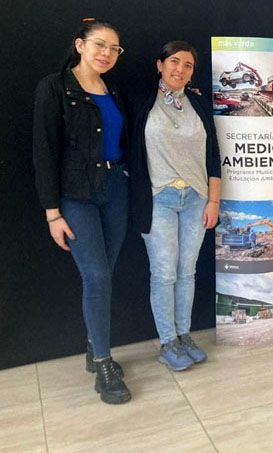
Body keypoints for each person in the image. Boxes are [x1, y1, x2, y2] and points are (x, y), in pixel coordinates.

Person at [32, 18, 131, 404]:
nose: (107, 54)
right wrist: (52, 213)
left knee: (107, 271)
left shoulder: (114, 91)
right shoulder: (54, 87)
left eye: (114, 49)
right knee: (97, 275)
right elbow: (44, 152)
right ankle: (104, 363)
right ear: (80, 44)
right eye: (100, 45)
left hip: (116, 189)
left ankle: (94, 344)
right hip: (76, 195)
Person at [128, 41, 221, 371]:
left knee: (187, 272)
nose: (180, 69)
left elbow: (213, 156)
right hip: (159, 200)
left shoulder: (197, 102)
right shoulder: (141, 102)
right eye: (174, 62)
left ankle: (184, 335)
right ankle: (168, 341)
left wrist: (213, 200)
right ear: (160, 64)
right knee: (165, 273)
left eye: (188, 65)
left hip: (196, 199)